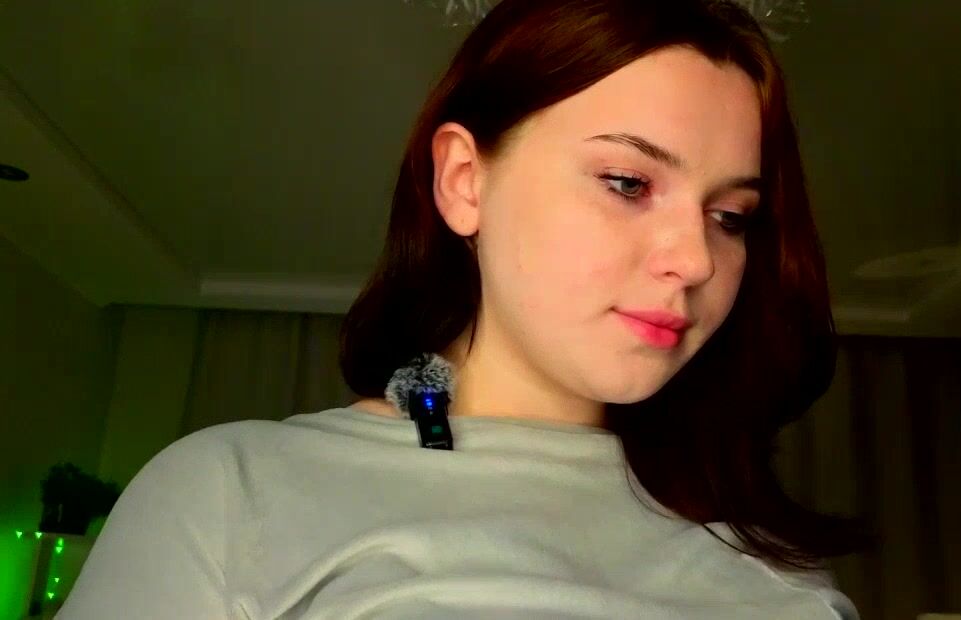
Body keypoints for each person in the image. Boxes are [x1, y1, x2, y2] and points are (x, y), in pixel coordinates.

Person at [59, 0, 876, 617]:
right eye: (628, 183)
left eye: (730, 216)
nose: (695, 259)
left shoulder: (774, 562)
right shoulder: (232, 492)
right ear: (463, 182)